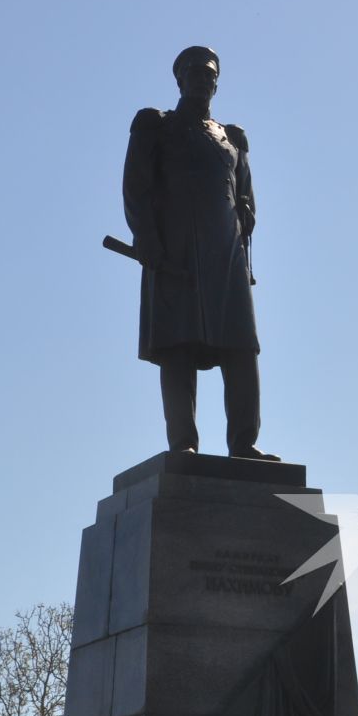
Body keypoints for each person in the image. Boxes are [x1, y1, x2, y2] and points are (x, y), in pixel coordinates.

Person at [122, 47, 275, 460]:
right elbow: (136, 187)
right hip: (175, 251)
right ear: (179, 79)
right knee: (178, 348)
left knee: (241, 348)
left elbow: (247, 198)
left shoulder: (233, 137)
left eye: (209, 74)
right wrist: (148, 240)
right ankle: (183, 442)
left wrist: (244, 223)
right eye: (194, 73)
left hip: (225, 257)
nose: (203, 80)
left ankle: (244, 443)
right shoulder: (156, 124)